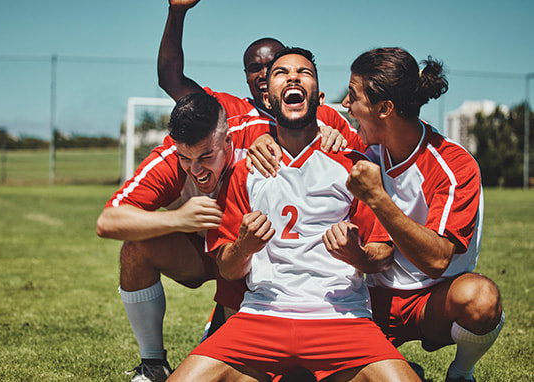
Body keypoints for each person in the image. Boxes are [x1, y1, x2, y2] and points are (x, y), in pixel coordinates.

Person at [167, 47, 421, 382]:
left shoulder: (353, 167)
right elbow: (227, 269)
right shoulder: (245, 170)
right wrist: (244, 246)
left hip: (341, 318)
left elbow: (383, 256)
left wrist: (356, 254)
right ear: (268, 101)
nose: (293, 77)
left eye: (304, 72)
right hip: (261, 317)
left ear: (320, 97)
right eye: (281, 73)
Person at [337, 47, 505, 382]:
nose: (345, 105)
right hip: (373, 297)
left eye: (352, 95)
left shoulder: (454, 165)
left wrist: (379, 199)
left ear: (384, 108)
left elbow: (437, 259)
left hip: (434, 300)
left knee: (481, 298)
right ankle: (400, 369)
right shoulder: (366, 150)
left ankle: (461, 373)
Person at [96, 92, 275, 381]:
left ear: (228, 140)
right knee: (136, 249)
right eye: (186, 158)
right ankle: (153, 364)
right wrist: (179, 218)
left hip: (257, 258)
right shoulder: (168, 160)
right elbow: (108, 220)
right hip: (204, 255)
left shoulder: (258, 135)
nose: (196, 169)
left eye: (206, 156)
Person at [158, 0, 363, 152]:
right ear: (246, 75)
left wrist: (337, 138)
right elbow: (171, 81)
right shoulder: (230, 113)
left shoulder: (326, 117)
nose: (264, 75)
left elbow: (366, 159)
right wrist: (177, 12)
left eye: (275, 68)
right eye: (255, 68)